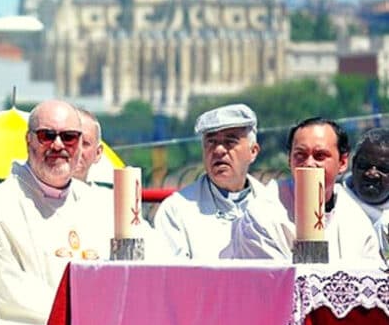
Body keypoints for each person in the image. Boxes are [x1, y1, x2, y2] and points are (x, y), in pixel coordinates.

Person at [0, 100, 113, 325]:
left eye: (69, 137)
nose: (58, 145)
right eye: (47, 135)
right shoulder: (1, 206)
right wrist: (81, 314)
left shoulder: (99, 205)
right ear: (29, 140)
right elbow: (6, 290)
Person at [231, 117, 381, 263]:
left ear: (342, 162)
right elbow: (277, 280)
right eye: (300, 155)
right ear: (290, 160)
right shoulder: (263, 214)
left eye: (320, 156)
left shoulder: (355, 218)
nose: (309, 163)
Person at [154, 103, 279, 260]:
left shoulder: (273, 205)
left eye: (230, 141)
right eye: (211, 142)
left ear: (253, 152)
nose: (219, 150)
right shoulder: (176, 210)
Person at [339, 127, 389, 259]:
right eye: (364, 165)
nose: (371, 174)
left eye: (383, 169)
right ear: (353, 164)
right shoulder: (333, 203)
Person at [72, 107, 104, 184]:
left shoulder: (108, 195)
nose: (77, 150)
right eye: (70, 140)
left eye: (85, 143)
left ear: (98, 153)